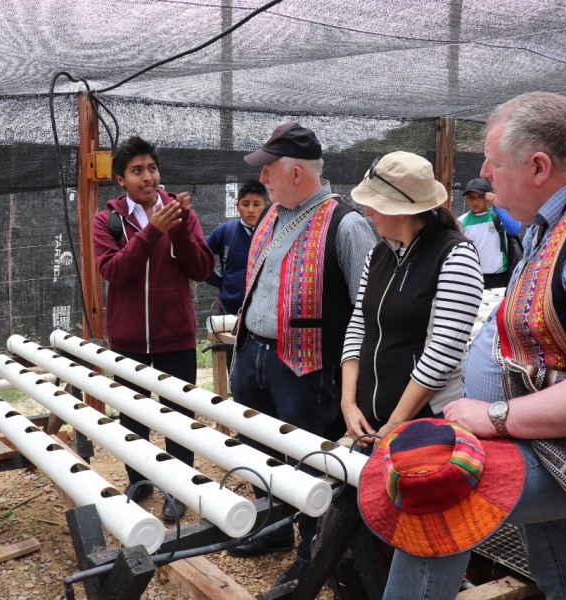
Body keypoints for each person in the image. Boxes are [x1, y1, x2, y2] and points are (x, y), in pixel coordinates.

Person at [377, 92, 566, 599]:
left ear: (538, 167)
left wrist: (494, 416)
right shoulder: (557, 222)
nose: (485, 174)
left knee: (437, 498)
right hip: (553, 439)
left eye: (493, 161)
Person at [226, 122, 376, 586]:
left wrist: (352, 384)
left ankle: (316, 551)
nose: (262, 179)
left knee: (311, 460)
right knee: (257, 447)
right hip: (254, 353)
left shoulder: (347, 224)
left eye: (269, 170)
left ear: (294, 173)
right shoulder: (274, 213)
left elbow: (367, 309)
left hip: (307, 366)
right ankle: (274, 529)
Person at [92, 135, 214, 522]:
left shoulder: (181, 214)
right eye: (137, 171)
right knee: (132, 414)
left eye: (152, 168)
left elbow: (202, 269)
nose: (148, 177)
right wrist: (151, 233)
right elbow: (114, 271)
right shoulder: (106, 220)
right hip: (127, 340)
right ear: (120, 180)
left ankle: (178, 487)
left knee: (178, 415)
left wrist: (176, 228)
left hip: (175, 337)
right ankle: (140, 481)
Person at [340, 152, 483, 450]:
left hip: (424, 422)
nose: (368, 212)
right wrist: (349, 403)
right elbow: (358, 326)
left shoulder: (456, 256)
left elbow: (442, 353)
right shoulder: (378, 254)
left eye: (375, 204)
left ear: (402, 211)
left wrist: (393, 426)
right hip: (371, 418)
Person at [204, 180, 268, 316]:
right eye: (245, 204)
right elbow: (199, 259)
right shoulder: (225, 231)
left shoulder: (273, 233)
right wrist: (222, 282)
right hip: (230, 309)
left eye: (257, 204)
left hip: (265, 310)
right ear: (237, 205)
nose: (251, 209)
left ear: (266, 207)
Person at [457, 178, 521, 288]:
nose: (475, 202)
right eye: (471, 198)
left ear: (487, 197)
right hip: (472, 277)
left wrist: (497, 205)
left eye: (480, 197)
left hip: (499, 277)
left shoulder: (498, 215)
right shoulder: (462, 221)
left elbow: (515, 229)